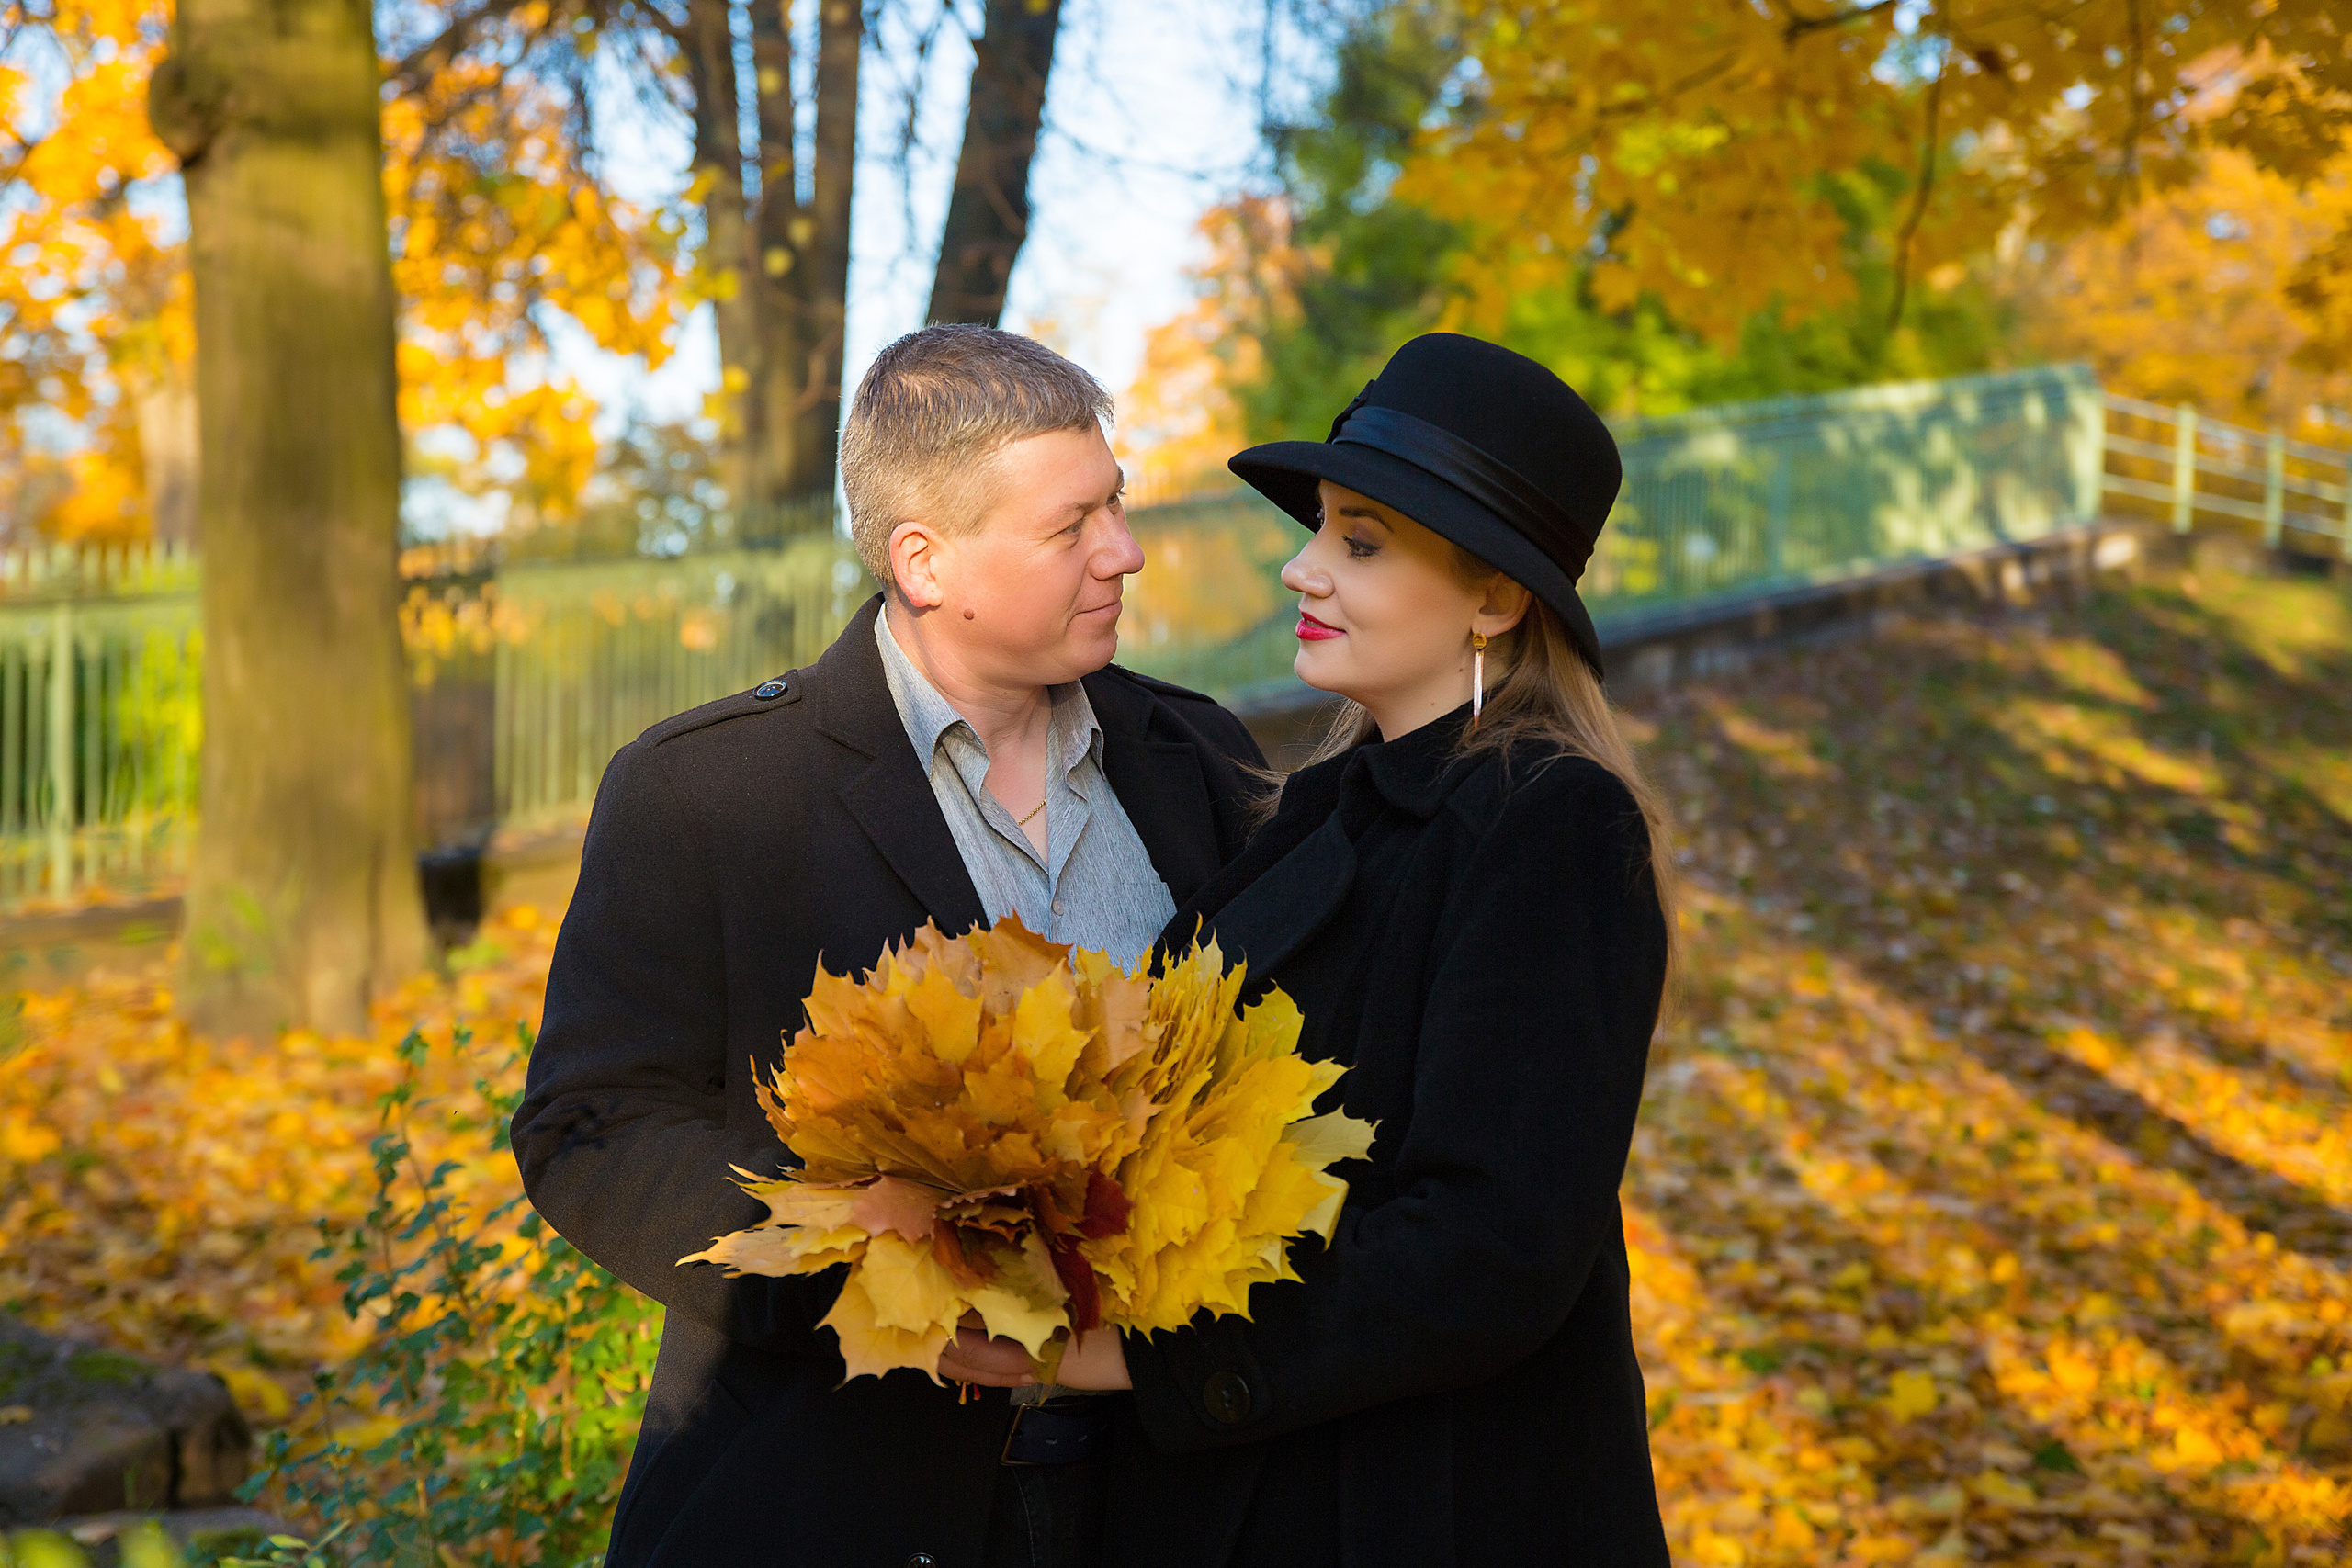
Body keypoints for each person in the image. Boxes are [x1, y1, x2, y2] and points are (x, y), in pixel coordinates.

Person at [510, 324, 1268, 1568]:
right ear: (924, 560)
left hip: (1168, 1501)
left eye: (1115, 507)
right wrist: (853, 1259)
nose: (1122, 553)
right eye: (1070, 526)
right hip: (830, 1499)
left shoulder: (1201, 762)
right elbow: (592, 1125)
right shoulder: (708, 792)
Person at [951, 333, 1679, 1566]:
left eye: (1360, 542)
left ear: (1496, 598)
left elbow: (1493, 1246)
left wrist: (1133, 1354)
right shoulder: (1312, 813)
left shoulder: (1550, 822)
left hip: (1424, 1502)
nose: (1301, 567)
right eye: (1321, 529)